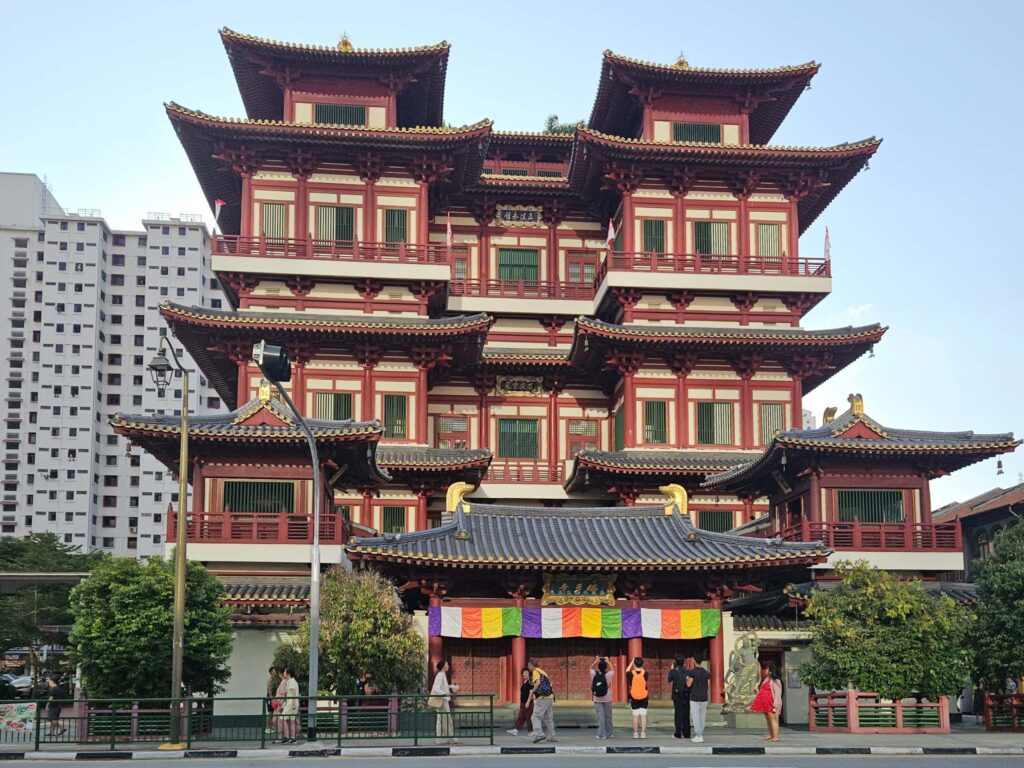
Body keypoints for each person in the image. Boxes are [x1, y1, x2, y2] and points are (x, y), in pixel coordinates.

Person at [749, 663, 783, 742]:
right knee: (768, 720)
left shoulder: (776, 681)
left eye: (767, 669)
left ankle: (776, 737)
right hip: (765, 703)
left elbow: (778, 693)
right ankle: (771, 735)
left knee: (773, 719)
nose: (765, 670)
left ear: (770, 670)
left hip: (771, 703)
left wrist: (776, 704)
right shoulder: (767, 679)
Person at [430, 660, 460, 745]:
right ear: (443, 666)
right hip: (442, 700)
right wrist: (444, 693)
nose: (448, 666)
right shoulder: (440, 675)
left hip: (443, 700)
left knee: (442, 720)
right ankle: (449, 738)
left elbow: (442, 686)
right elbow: (436, 687)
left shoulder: (442, 675)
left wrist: (451, 687)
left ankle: (442, 739)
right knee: (446, 720)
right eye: (447, 664)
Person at [526, 658, 556, 743]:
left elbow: (538, 683)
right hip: (549, 697)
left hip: (542, 698)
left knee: (535, 717)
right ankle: (552, 736)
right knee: (548, 718)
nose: (528, 667)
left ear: (531, 665)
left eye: (528, 665)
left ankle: (539, 734)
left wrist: (532, 691)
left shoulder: (535, 672)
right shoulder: (542, 672)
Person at [667, 654, 694, 740]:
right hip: (686, 694)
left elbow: (669, 679)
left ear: (675, 662)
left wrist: (672, 669)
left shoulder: (674, 671)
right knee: (686, 714)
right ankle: (686, 733)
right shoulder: (687, 671)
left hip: (677, 695)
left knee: (678, 714)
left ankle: (678, 733)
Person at [686, 651, 710, 743]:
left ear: (694, 661)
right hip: (704, 697)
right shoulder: (706, 673)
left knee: (696, 717)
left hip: (695, 698)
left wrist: (686, 679)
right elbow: (708, 685)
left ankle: (698, 735)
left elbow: (688, 684)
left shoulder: (692, 672)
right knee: (702, 717)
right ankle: (700, 734)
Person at [589, 656, 615, 740]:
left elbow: (590, 668)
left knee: (601, 717)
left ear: (598, 667)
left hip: (597, 698)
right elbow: (612, 670)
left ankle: (602, 734)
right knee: (608, 716)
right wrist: (608, 661)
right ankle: (609, 733)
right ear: (606, 667)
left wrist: (596, 661)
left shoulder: (594, 674)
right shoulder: (609, 675)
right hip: (607, 697)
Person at [625, 657, 649, 739]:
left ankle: (635, 733)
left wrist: (632, 662)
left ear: (634, 664)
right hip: (644, 697)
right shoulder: (645, 674)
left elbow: (627, 670)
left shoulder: (631, 674)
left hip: (634, 697)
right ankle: (643, 733)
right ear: (642, 664)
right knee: (643, 716)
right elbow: (643, 671)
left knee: (635, 716)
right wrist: (640, 665)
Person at [274, 666, 300, 744]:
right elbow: (286, 694)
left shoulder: (291, 681)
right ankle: (292, 738)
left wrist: (293, 704)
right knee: (291, 720)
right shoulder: (289, 681)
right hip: (290, 703)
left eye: (285, 672)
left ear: (288, 673)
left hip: (291, 703)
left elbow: (293, 693)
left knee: (284, 718)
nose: (283, 673)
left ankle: (287, 737)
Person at [506, 668, 533, 736]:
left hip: (528, 703)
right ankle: (516, 730)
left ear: (529, 674)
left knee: (528, 717)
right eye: (523, 673)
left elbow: (531, 693)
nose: (524, 674)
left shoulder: (530, 682)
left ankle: (531, 731)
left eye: (526, 673)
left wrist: (528, 701)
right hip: (523, 703)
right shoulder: (525, 682)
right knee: (521, 717)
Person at [265, 667, 280, 735]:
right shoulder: (270, 679)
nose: (275, 672)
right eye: (274, 671)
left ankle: (272, 727)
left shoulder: (275, 679)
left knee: (274, 712)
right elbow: (269, 689)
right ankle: (267, 727)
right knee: (270, 712)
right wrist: (271, 698)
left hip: (274, 697)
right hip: (270, 697)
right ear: (271, 672)